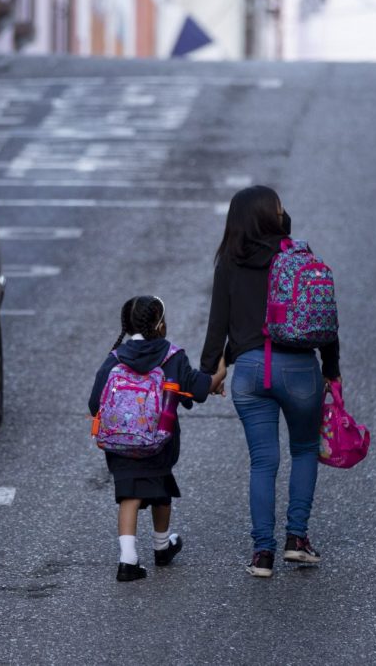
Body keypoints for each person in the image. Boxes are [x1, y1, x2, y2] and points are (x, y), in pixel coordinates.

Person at [201, 186, 341, 578]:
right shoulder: (298, 257)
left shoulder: (229, 263)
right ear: (273, 216)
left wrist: (211, 368)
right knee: (304, 449)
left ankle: (262, 553)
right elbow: (323, 317)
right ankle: (297, 539)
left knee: (263, 462)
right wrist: (331, 368)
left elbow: (218, 324)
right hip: (298, 368)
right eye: (280, 208)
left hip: (249, 370)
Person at [88, 295, 223, 581]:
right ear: (160, 325)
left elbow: (93, 403)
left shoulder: (114, 358)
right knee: (161, 488)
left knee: (129, 495)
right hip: (159, 443)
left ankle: (127, 559)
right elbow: (200, 389)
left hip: (119, 445)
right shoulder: (172, 356)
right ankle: (162, 546)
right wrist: (220, 372)